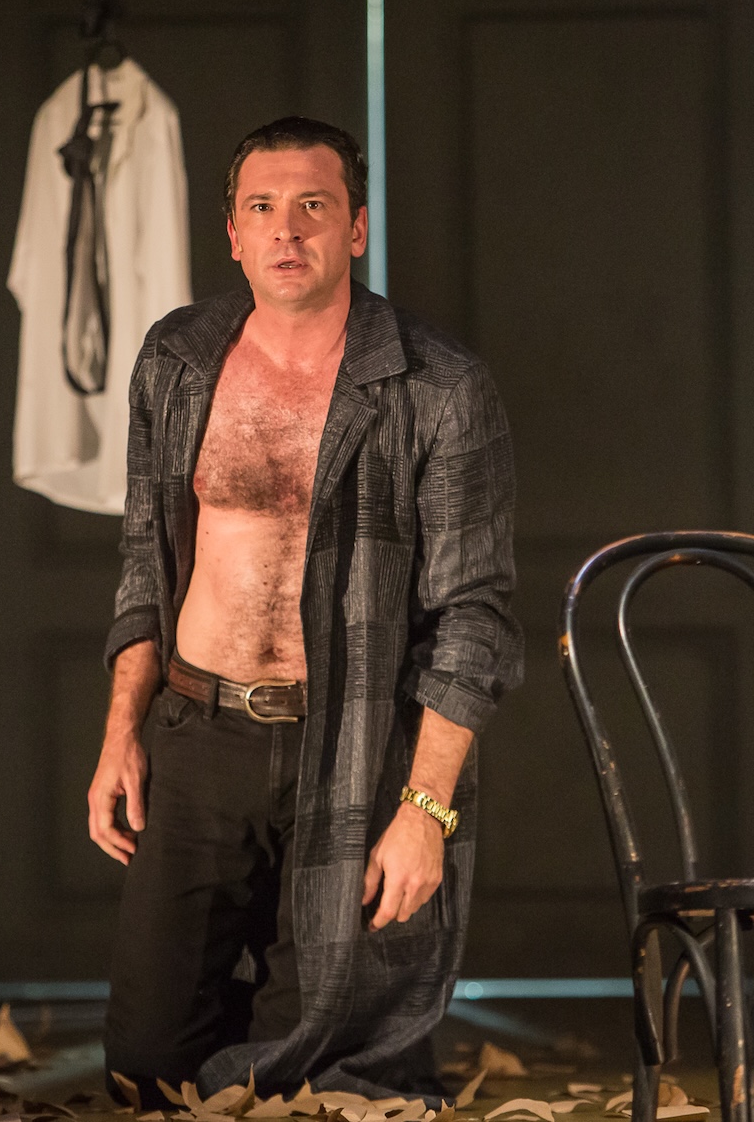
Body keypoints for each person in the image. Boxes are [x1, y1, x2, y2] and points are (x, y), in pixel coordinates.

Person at [88, 116, 521, 1104]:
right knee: (144, 1063)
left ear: (355, 228)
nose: (287, 230)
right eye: (262, 207)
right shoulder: (177, 359)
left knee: (327, 1065)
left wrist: (425, 808)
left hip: (357, 743)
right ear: (232, 233)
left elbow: (475, 616)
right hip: (200, 732)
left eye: (313, 206)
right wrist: (121, 732)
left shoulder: (439, 386)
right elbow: (145, 562)